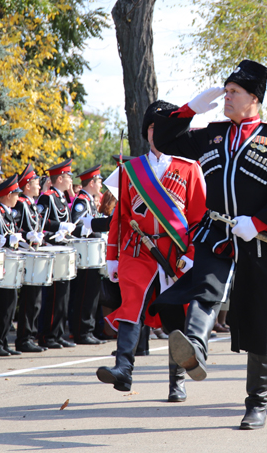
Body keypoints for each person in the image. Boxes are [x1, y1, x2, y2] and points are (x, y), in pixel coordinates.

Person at [150, 60, 267, 429]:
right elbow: (163, 139)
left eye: (234, 92)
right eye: (226, 90)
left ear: (255, 98)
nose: (227, 97)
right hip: (217, 231)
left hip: (260, 238)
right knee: (204, 287)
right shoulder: (212, 133)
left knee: (259, 318)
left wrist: (260, 222)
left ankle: (257, 402)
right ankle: (196, 348)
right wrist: (189, 110)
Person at [96, 101, 207, 401]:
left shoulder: (189, 168)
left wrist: (192, 254)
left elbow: (198, 218)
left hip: (175, 251)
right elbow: (120, 217)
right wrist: (111, 256)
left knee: (175, 315)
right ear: (147, 132)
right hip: (137, 248)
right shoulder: (130, 169)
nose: (160, 133)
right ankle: (123, 370)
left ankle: (177, 380)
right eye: (155, 127)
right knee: (131, 303)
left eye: (166, 128)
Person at [69, 165, 111, 346]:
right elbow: (76, 226)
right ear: (92, 182)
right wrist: (88, 228)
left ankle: (88, 329)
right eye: (99, 181)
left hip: (93, 254)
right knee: (85, 294)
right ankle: (82, 331)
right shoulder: (81, 201)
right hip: (85, 255)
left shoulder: (89, 200)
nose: (101, 185)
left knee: (92, 294)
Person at [37, 159, 77, 349]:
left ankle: (58, 333)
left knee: (63, 295)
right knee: (53, 295)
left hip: (63, 249)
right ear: (60, 178)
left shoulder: (61, 197)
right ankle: (47, 335)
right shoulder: (48, 197)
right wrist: (59, 226)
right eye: (68, 176)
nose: (70, 180)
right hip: (52, 249)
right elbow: (42, 222)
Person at [0, 174, 25, 356]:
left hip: (10, 263)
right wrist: (3, 239)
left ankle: (2, 342)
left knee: (10, 304)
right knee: (0, 304)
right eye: (16, 194)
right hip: (0, 264)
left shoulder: (8, 214)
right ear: (8, 195)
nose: (18, 197)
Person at [14, 164, 47, 352]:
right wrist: (28, 236)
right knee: (29, 299)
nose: (39, 185)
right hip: (26, 254)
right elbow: (16, 228)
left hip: (34, 254)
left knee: (35, 299)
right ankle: (24, 337)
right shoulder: (20, 203)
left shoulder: (31, 204)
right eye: (35, 182)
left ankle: (30, 336)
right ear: (27, 186)